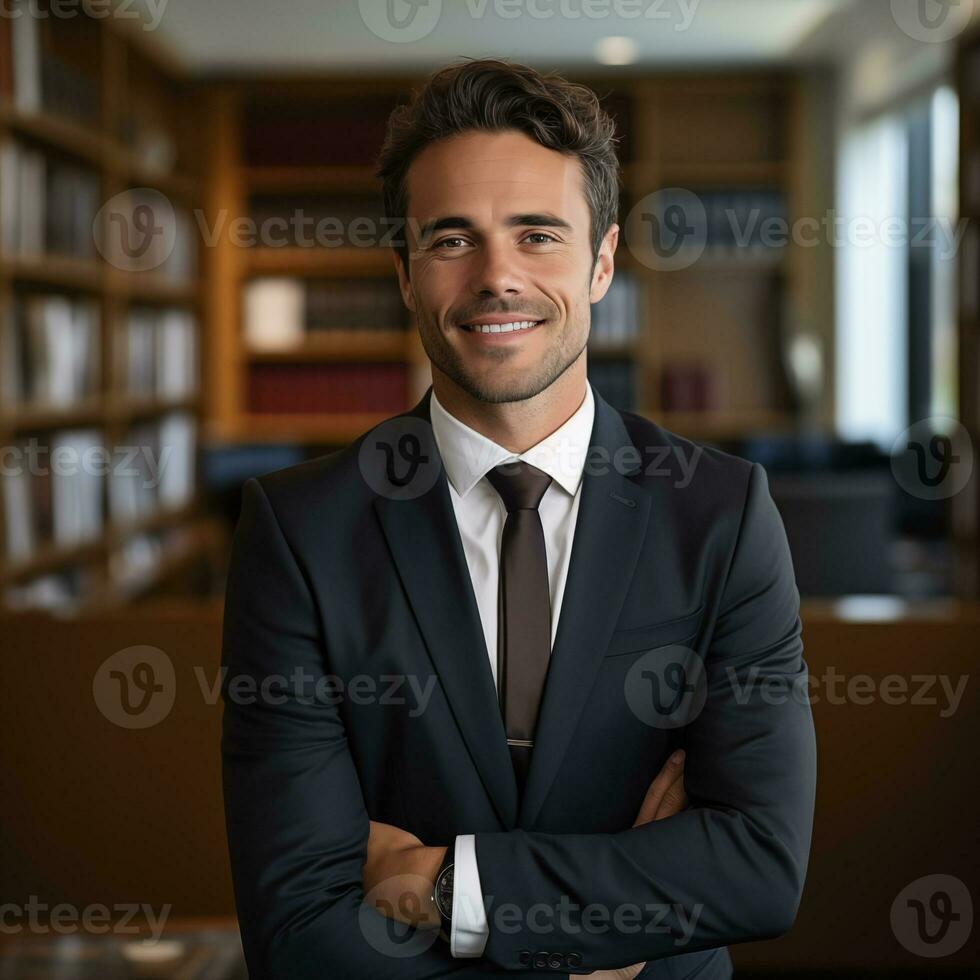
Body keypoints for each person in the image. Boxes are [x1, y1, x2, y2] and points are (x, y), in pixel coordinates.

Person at [220, 58, 817, 980]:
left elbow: (757, 870)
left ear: (603, 260)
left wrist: (448, 887)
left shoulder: (724, 514)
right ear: (405, 273)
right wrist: (605, 932)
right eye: (453, 239)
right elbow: (297, 929)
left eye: (537, 234)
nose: (498, 277)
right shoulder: (299, 533)